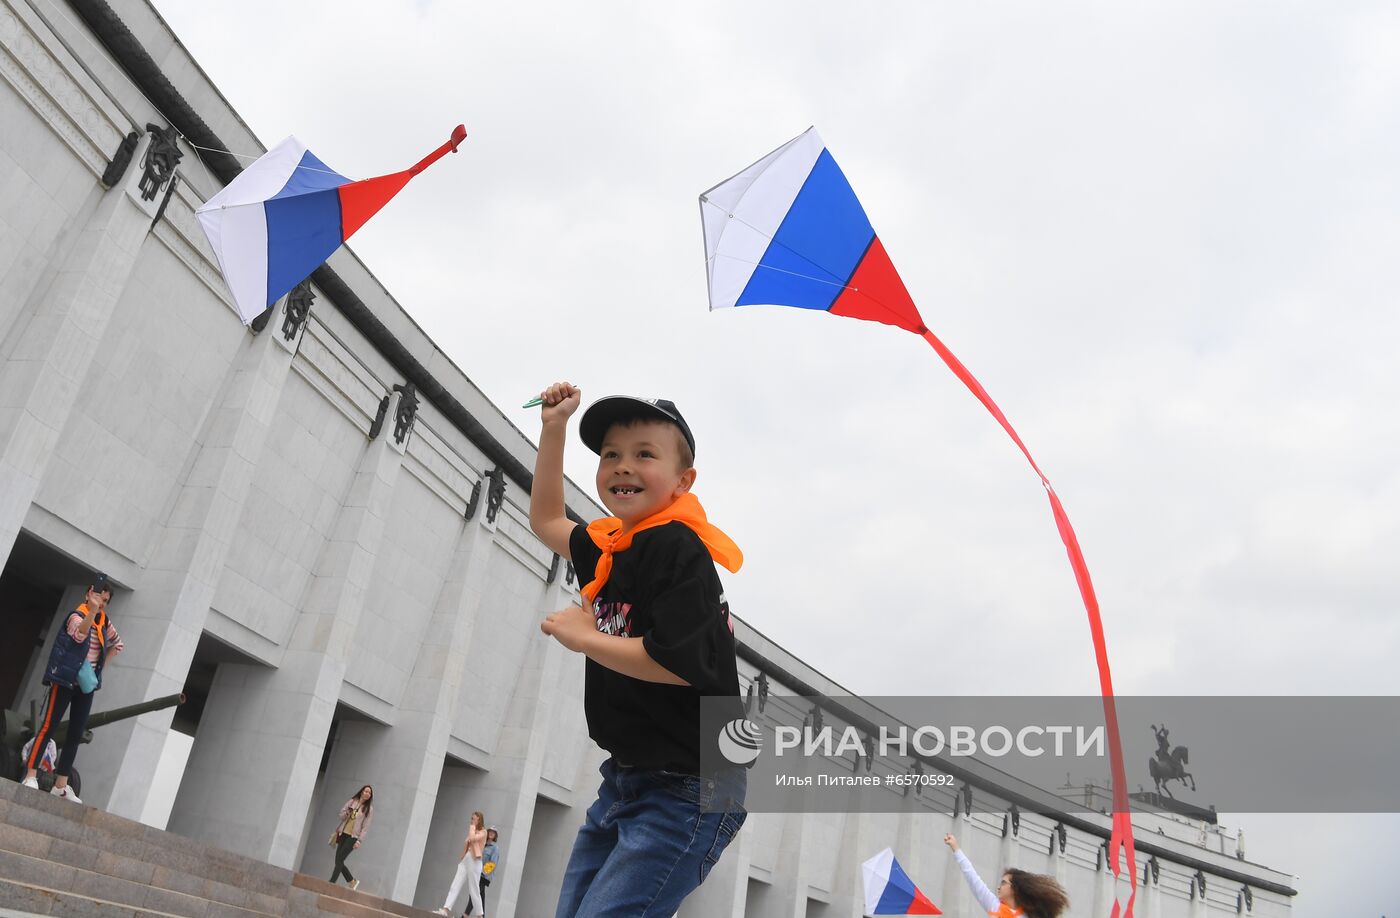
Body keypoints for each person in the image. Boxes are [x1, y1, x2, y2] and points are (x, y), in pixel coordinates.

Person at [529, 384, 748, 918]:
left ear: (682, 481)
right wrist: (553, 429)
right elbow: (547, 521)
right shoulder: (611, 544)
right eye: (611, 456)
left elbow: (678, 664)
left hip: (698, 778)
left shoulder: (676, 546)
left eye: (644, 455)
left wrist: (588, 637)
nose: (623, 467)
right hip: (631, 774)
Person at [21, 574, 124, 803]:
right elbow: (79, 635)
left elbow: (117, 645)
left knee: (75, 733)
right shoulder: (76, 616)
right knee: (49, 726)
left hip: (85, 686)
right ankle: (31, 775)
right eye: (99, 596)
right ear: (89, 593)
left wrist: (98, 672)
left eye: (106, 601)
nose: (102, 603)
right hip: (66, 680)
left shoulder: (104, 622)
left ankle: (61, 785)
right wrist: (92, 610)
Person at [943, 834, 1069, 918]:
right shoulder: (995, 906)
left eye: (1003, 883)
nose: (999, 887)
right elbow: (973, 879)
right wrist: (956, 848)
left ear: (1015, 889)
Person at [436, 811, 487, 917]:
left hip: (475, 861)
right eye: (471, 818)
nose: (472, 820)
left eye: (474, 818)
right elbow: (468, 843)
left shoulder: (483, 832)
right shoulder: (473, 830)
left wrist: (472, 828)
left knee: (474, 890)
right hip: (466, 859)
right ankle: (445, 909)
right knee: (455, 884)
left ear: (479, 820)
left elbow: (473, 839)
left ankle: (480, 915)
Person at [330, 785, 374, 890]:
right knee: (338, 861)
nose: (367, 794)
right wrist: (347, 813)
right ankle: (352, 881)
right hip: (343, 833)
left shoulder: (369, 809)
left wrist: (359, 841)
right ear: (362, 792)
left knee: (340, 859)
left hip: (353, 837)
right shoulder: (352, 802)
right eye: (366, 791)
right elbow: (341, 815)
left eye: (369, 793)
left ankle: (331, 883)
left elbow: (365, 827)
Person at [463, 827, 500, 916]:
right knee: (480, 896)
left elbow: (492, 863)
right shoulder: (483, 844)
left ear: (495, 835)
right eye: (490, 832)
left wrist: (482, 872)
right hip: (476, 873)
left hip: (484, 876)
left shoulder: (495, 848)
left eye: (493, 833)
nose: (491, 833)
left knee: (474, 895)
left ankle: (464, 915)